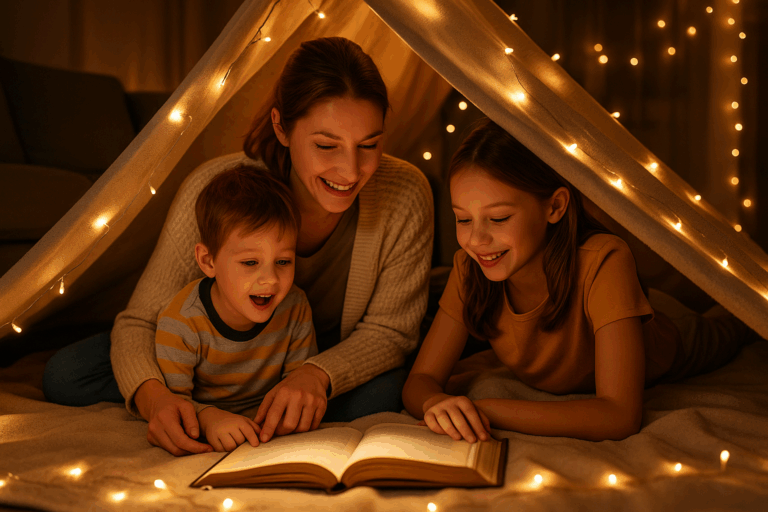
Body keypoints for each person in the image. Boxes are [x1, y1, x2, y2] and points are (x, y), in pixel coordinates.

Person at [43, 37, 433, 456]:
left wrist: (316, 376)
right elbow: (140, 321)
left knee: (381, 396)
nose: (351, 170)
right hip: (213, 352)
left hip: (323, 349)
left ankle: (263, 402)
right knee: (68, 373)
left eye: (369, 145)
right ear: (281, 127)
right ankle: (216, 403)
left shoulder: (405, 193)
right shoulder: (217, 190)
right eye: (326, 145)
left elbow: (391, 331)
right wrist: (158, 401)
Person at [402, 118, 756, 443]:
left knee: (738, 318)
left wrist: (485, 410)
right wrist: (438, 402)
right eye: (463, 220)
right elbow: (419, 382)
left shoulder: (604, 260)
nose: (476, 240)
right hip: (617, 309)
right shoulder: (469, 269)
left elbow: (619, 416)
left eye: (498, 218)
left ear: (554, 207)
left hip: (673, 331)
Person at [155, 165, 317, 452]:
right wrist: (207, 420)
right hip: (209, 408)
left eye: (283, 262)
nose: (270, 279)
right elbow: (173, 408)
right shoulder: (181, 323)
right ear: (208, 261)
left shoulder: (295, 307)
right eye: (250, 263)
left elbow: (296, 385)